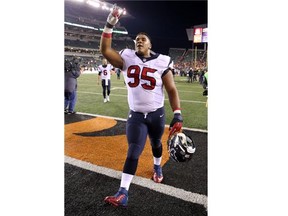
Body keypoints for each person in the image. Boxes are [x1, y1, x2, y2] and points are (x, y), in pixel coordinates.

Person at [100, 5, 183, 207]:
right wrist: (110, 23)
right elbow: (104, 50)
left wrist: (178, 114)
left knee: (156, 145)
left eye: (143, 39)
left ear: (150, 44)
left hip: (156, 114)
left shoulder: (162, 61)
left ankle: (157, 167)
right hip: (136, 115)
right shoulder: (127, 57)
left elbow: (171, 89)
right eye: (137, 39)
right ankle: (123, 192)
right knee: (133, 151)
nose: (139, 41)